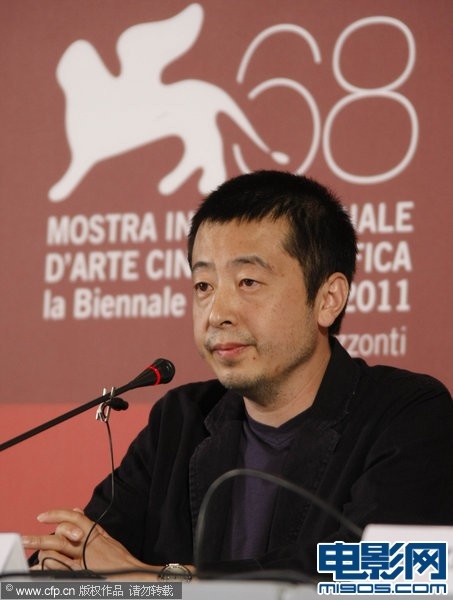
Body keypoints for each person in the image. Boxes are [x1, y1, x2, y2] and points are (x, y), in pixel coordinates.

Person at [23, 170, 453, 579]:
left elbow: (392, 568)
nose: (218, 313)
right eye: (204, 286)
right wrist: (53, 573)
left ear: (328, 299)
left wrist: (162, 582)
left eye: (248, 282)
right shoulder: (181, 419)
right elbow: (89, 549)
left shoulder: (408, 413)